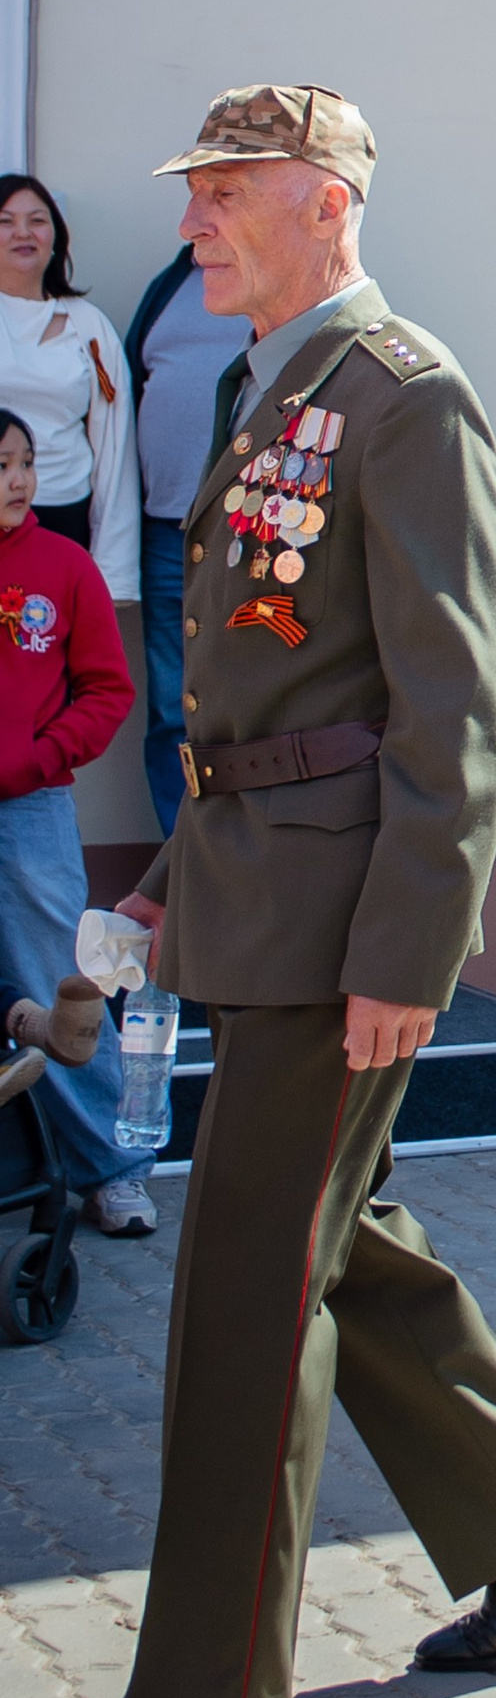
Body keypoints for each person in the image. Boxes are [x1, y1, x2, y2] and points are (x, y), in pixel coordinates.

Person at [28, 84, 496, 1698]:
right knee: (333, 1234)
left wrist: (409, 955)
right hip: (264, 897)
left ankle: (211, 1688)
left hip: (340, 934)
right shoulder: (271, 385)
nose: (195, 221)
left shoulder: (404, 394)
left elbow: (458, 704)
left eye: (230, 191)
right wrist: (170, 887)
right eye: (198, 191)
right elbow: (266, 704)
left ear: (329, 202)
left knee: (249, 1281)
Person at [0, 404, 156, 1236]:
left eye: (25, 462)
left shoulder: (64, 567)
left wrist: (38, 757)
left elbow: (106, 690)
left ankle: (114, 1170)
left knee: (60, 981)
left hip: (30, 811)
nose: (19, 480)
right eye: (1, 465)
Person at [125, 230, 253, 838]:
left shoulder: (268, 281)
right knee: (171, 710)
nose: (198, 216)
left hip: (248, 532)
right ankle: (178, 868)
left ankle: (243, 862)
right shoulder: (169, 286)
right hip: (163, 535)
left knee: (249, 704)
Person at [0, 175, 139, 604]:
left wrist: (114, 572)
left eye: (37, 220)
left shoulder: (89, 327)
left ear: (56, 237)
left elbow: (114, 444)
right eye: (5, 221)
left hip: (65, 517)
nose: (23, 233)